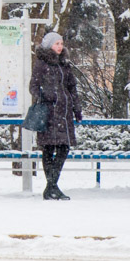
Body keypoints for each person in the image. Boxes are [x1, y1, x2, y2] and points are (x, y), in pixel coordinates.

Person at [30, 31, 82, 200]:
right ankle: (52, 187)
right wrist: (44, 96)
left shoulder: (65, 64)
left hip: (64, 113)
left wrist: (77, 108)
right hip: (49, 112)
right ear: (49, 45)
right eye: (56, 43)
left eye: (61, 43)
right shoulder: (41, 63)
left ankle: (51, 186)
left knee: (64, 148)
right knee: (48, 148)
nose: (60, 46)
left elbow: (72, 87)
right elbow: (33, 85)